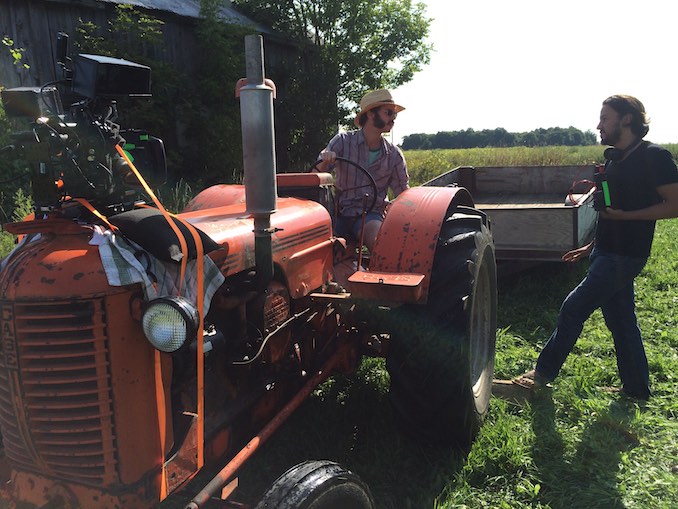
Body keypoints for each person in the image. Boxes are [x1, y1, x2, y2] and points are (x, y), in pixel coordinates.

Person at [515, 94, 678, 400]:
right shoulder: (615, 159)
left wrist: (628, 217)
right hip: (606, 252)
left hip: (626, 255)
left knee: (573, 308)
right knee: (621, 321)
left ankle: (540, 376)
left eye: (605, 118)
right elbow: (610, 214)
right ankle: (637, 389)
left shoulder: (654, 157)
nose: (598, 125)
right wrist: (591, 246)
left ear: (626, 119)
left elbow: (675, 204)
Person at [313, 89, 410, 251]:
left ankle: (381, 272)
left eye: (394, 115)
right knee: (312, 244)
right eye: (388, 113)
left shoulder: (394, 155)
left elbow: (403, 194)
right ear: (371, 114)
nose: (393, 119)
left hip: (371, 215)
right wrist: (325, 161)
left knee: (380, 243)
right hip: (339, 214)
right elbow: (314, 178)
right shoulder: (343, 142)